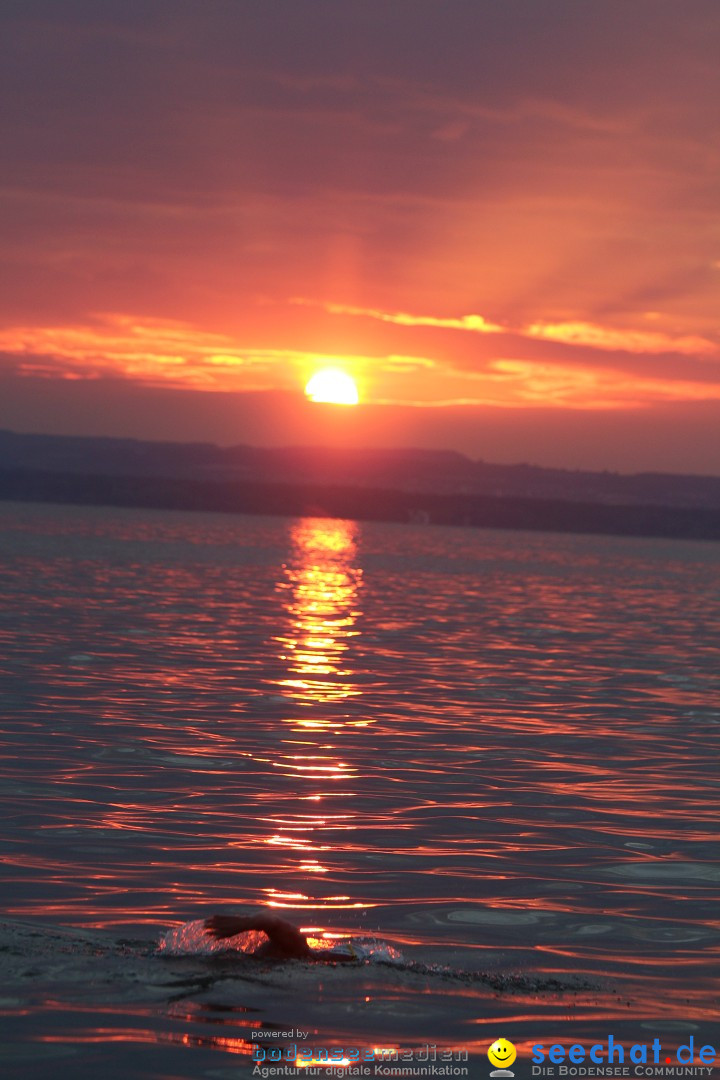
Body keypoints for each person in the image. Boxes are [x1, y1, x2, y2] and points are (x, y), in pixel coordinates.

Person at [204, 913, 357, 962]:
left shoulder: (298, 948)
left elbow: (270, 920)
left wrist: (241, 924)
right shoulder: (299, 948)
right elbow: (270, 921)